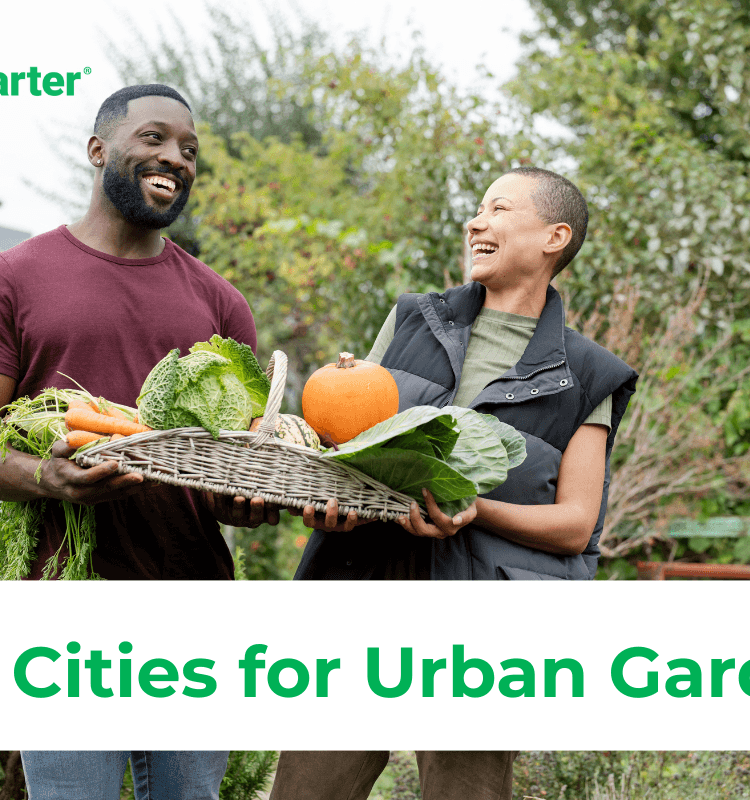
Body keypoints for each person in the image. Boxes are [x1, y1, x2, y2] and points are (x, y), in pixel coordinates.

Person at [0, 84, 272, 800]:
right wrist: (43, 478)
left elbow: (229, 464)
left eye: (188, 149)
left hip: (194, 610)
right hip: (65, 609)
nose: (173, 158)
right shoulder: (12, 280)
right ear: (98, 150)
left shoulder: (219, 302)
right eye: (153, 138)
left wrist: (247, 499)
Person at [271, 168, 638, 799]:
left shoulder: (589, 373)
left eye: (499, 209)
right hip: (365, 589)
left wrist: (473, 508)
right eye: (477, 210)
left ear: (555, 236)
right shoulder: (412, 321)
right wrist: (335, 504)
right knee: (310, 787)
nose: (476, 222)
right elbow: (356, 448)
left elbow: (576, 524)